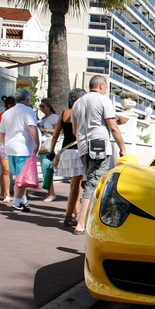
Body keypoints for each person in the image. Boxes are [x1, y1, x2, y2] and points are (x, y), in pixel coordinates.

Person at [71, 75, 126, 235]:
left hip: (82, 146)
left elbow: (74, 131)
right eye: (106, 86)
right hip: (99, 146)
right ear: (101, 86)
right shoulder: (103, 100)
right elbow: (113, 126)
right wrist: (122, 147)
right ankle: (82, 223)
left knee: (91, 180)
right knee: (94, 183)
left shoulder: (77, 103)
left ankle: (89, 219)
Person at [0, 89, 40, 212]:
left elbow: (1, 132)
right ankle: (16, 203)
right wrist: (36, 143)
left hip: (11, 148)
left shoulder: (7, 113)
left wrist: (6, 144)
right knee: (22, 178)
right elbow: (31, 126)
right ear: (27, 100)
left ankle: (23, 201)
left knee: (19, 175)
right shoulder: (28, 110)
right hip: (23, 147)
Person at [50, 88, 87, 227]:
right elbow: (76, 132)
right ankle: (70, 216)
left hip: (66, 152)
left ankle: (75, 214)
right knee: (78, 186)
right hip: (78, 151)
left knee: (75, 185)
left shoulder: (63, 113)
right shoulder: (80, 112)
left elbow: (56, 134)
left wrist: (52, 150)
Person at [38, 98, 59, 202]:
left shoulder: (53, 117)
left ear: (48, 106)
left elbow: (57, 131)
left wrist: (44, 130)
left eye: (43, 106)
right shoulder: (44, 118)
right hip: (43, 146)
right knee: (44, 170)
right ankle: (50, 193)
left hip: (49, 146)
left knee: (47, 170)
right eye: (40, 106)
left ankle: (51, 193)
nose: (41, 108)